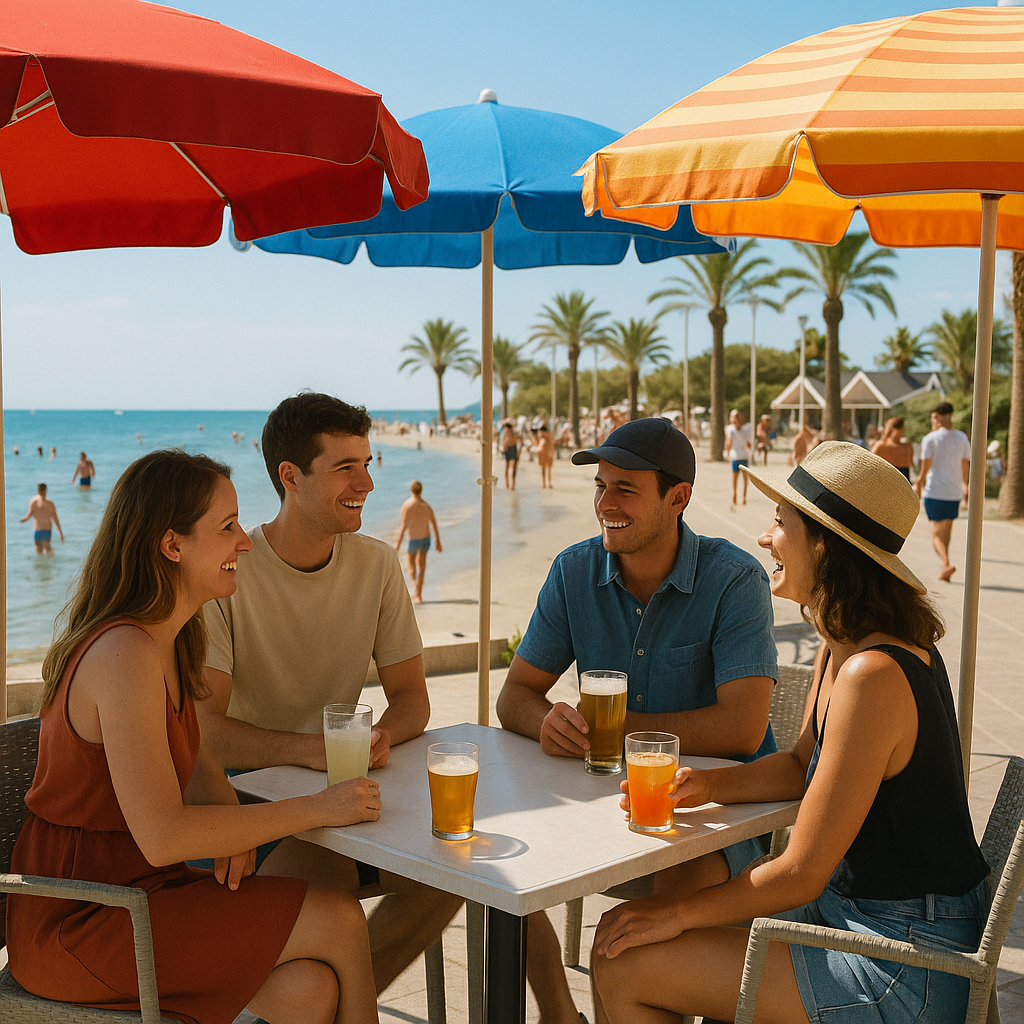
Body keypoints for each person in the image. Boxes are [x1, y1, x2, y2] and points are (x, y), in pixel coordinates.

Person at [591, 442, 989, 1024]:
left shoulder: (872, 675)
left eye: (781, 523)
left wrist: (678, 914)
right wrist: (704, 786)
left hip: (904, 959)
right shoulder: (849, 644)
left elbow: (800, 872)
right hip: (858, 920)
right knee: (630, 934)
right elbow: (802, 766)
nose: (764, 538)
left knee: (622, 959)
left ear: (827, 546)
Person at [5, 450, 382, 1024]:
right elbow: (161, 834)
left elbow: (198, 755)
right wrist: (318, 808)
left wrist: (227, 817)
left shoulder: (174, 641)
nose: (246, 543)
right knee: (340, 918)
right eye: (227, 527)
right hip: (85, 917)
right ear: (171, 544)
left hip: (148, 893)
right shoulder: (125, 653)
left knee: (308, 990)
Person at [497, 416, 777, 1024]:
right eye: (599, 486)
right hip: (597, 805)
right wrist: (545, 722)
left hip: (716, 816)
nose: (605, 504)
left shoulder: (734, 579)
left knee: (634, 942)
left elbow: (743, 730)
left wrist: (605, 733)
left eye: (625, 489)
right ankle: (556, 1012)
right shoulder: (574, 572)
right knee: (495, 865)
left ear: (677, 498)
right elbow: (515, 695)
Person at [197, 392, 460, 998]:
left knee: (458, 871)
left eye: (368, 464)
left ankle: (340, 998)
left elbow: (413, 699)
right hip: (243, 810)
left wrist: (384, 737)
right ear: (290, 476)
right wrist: (309, 750)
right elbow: (205, 729)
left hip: (343, 798)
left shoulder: (378, 564)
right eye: (346, 467)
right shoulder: (228, 572)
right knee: (329, 871)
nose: (366, 483)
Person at [915, 401, 971, 583]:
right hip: (953, 493)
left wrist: (918, 486)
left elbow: (924, 469)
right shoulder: (962, 437)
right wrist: (965, 487)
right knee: (946, 531)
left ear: (937, 417)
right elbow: (965, 465)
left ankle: (946, 563)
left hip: (935, 492)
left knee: (936, 535)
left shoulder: (930, 439)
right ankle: (944, 568)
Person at [394, 479, 442, 603]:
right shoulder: (427, 506)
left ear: (411, 490)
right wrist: (438, 542)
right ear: (421, 490)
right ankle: (419, 595)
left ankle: (415, 586)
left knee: (411, 568)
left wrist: (397, 547)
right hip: (426, 540)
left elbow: (403, 527)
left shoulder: (407, 506)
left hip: (413, 541)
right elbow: (434, 524)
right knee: (422, 568)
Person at [20, 482, 64, 554]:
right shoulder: (49, 503)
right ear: (46, 490)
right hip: (44, 529)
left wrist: (24, 519)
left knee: (40, 551)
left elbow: (28, 516)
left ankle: (41, 565)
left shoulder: (34, 502)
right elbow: (56, 519)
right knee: (47, 550)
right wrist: (61, 533)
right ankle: (48, 564)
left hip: (38, 529)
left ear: (37, 490)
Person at [872, 416, 914, 480]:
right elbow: (910, 462)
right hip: (904, 481)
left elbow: (870, 462)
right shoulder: (907, 447)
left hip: (887, 480)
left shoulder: (881, 446)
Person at [725, 408, 752, 506]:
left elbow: (747, 442)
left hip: (742, 456)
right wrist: (728, 454)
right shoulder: (731, 429)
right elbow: (729, 442)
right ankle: (735, 496)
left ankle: (742, 497)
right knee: (736, 478)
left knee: (742, 479)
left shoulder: (745, 429)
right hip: (736, 456)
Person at [499, 419, 520, 489]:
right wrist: (503, 447)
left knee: (513, 468)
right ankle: (507, 484)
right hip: (508, 449)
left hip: (513, 448)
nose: (507, 429)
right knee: (507, 468)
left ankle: (512, 484)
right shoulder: (505, 433)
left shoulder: (515, 433)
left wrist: (519, 450)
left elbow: (520, 439)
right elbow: (503, 441)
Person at [536, 423, 555, 488]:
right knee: (544, 469)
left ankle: (548, 483)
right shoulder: (543, 437)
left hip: (546, 452)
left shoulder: (548, 436)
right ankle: (544, 483)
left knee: (547, 469)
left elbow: (552, 444)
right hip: (543, 452)